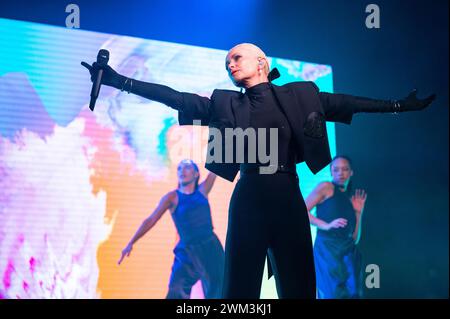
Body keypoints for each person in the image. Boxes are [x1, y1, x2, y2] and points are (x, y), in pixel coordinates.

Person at [83, 43, 435, 298]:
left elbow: (347, 102)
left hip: (287, 197)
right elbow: (176, 97)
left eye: (236, 57)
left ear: (261, 62)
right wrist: (117, 80)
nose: (230, 64)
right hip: (248, 199)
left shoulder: (302, 96)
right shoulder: (226, 103)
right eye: (227, 61)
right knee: (239, 294)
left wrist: (398, 106)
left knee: (298, 288)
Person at [117, 159, 224, 299]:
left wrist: (226, 142)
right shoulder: (172, 197)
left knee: (218, 288)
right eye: (179, 168)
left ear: (196, 173)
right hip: (188, 252)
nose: (182, 171)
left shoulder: (203, 190)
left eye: (186, 168)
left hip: (210, 248)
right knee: (176, 289)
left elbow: (216, 167)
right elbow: (151, 220)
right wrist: (131, 242)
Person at [306, 155, 366, 298]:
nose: (340, 173)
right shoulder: (326, 187)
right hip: (328, 250)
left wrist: (358, 213)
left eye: (345, 169)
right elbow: (301, 210)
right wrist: (326, 225)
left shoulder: (350, 198)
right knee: (331, 293)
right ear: (331, 171)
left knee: (353, 294)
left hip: (348, 253)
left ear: (351, 172)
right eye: (336, 169)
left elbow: (355, 238)